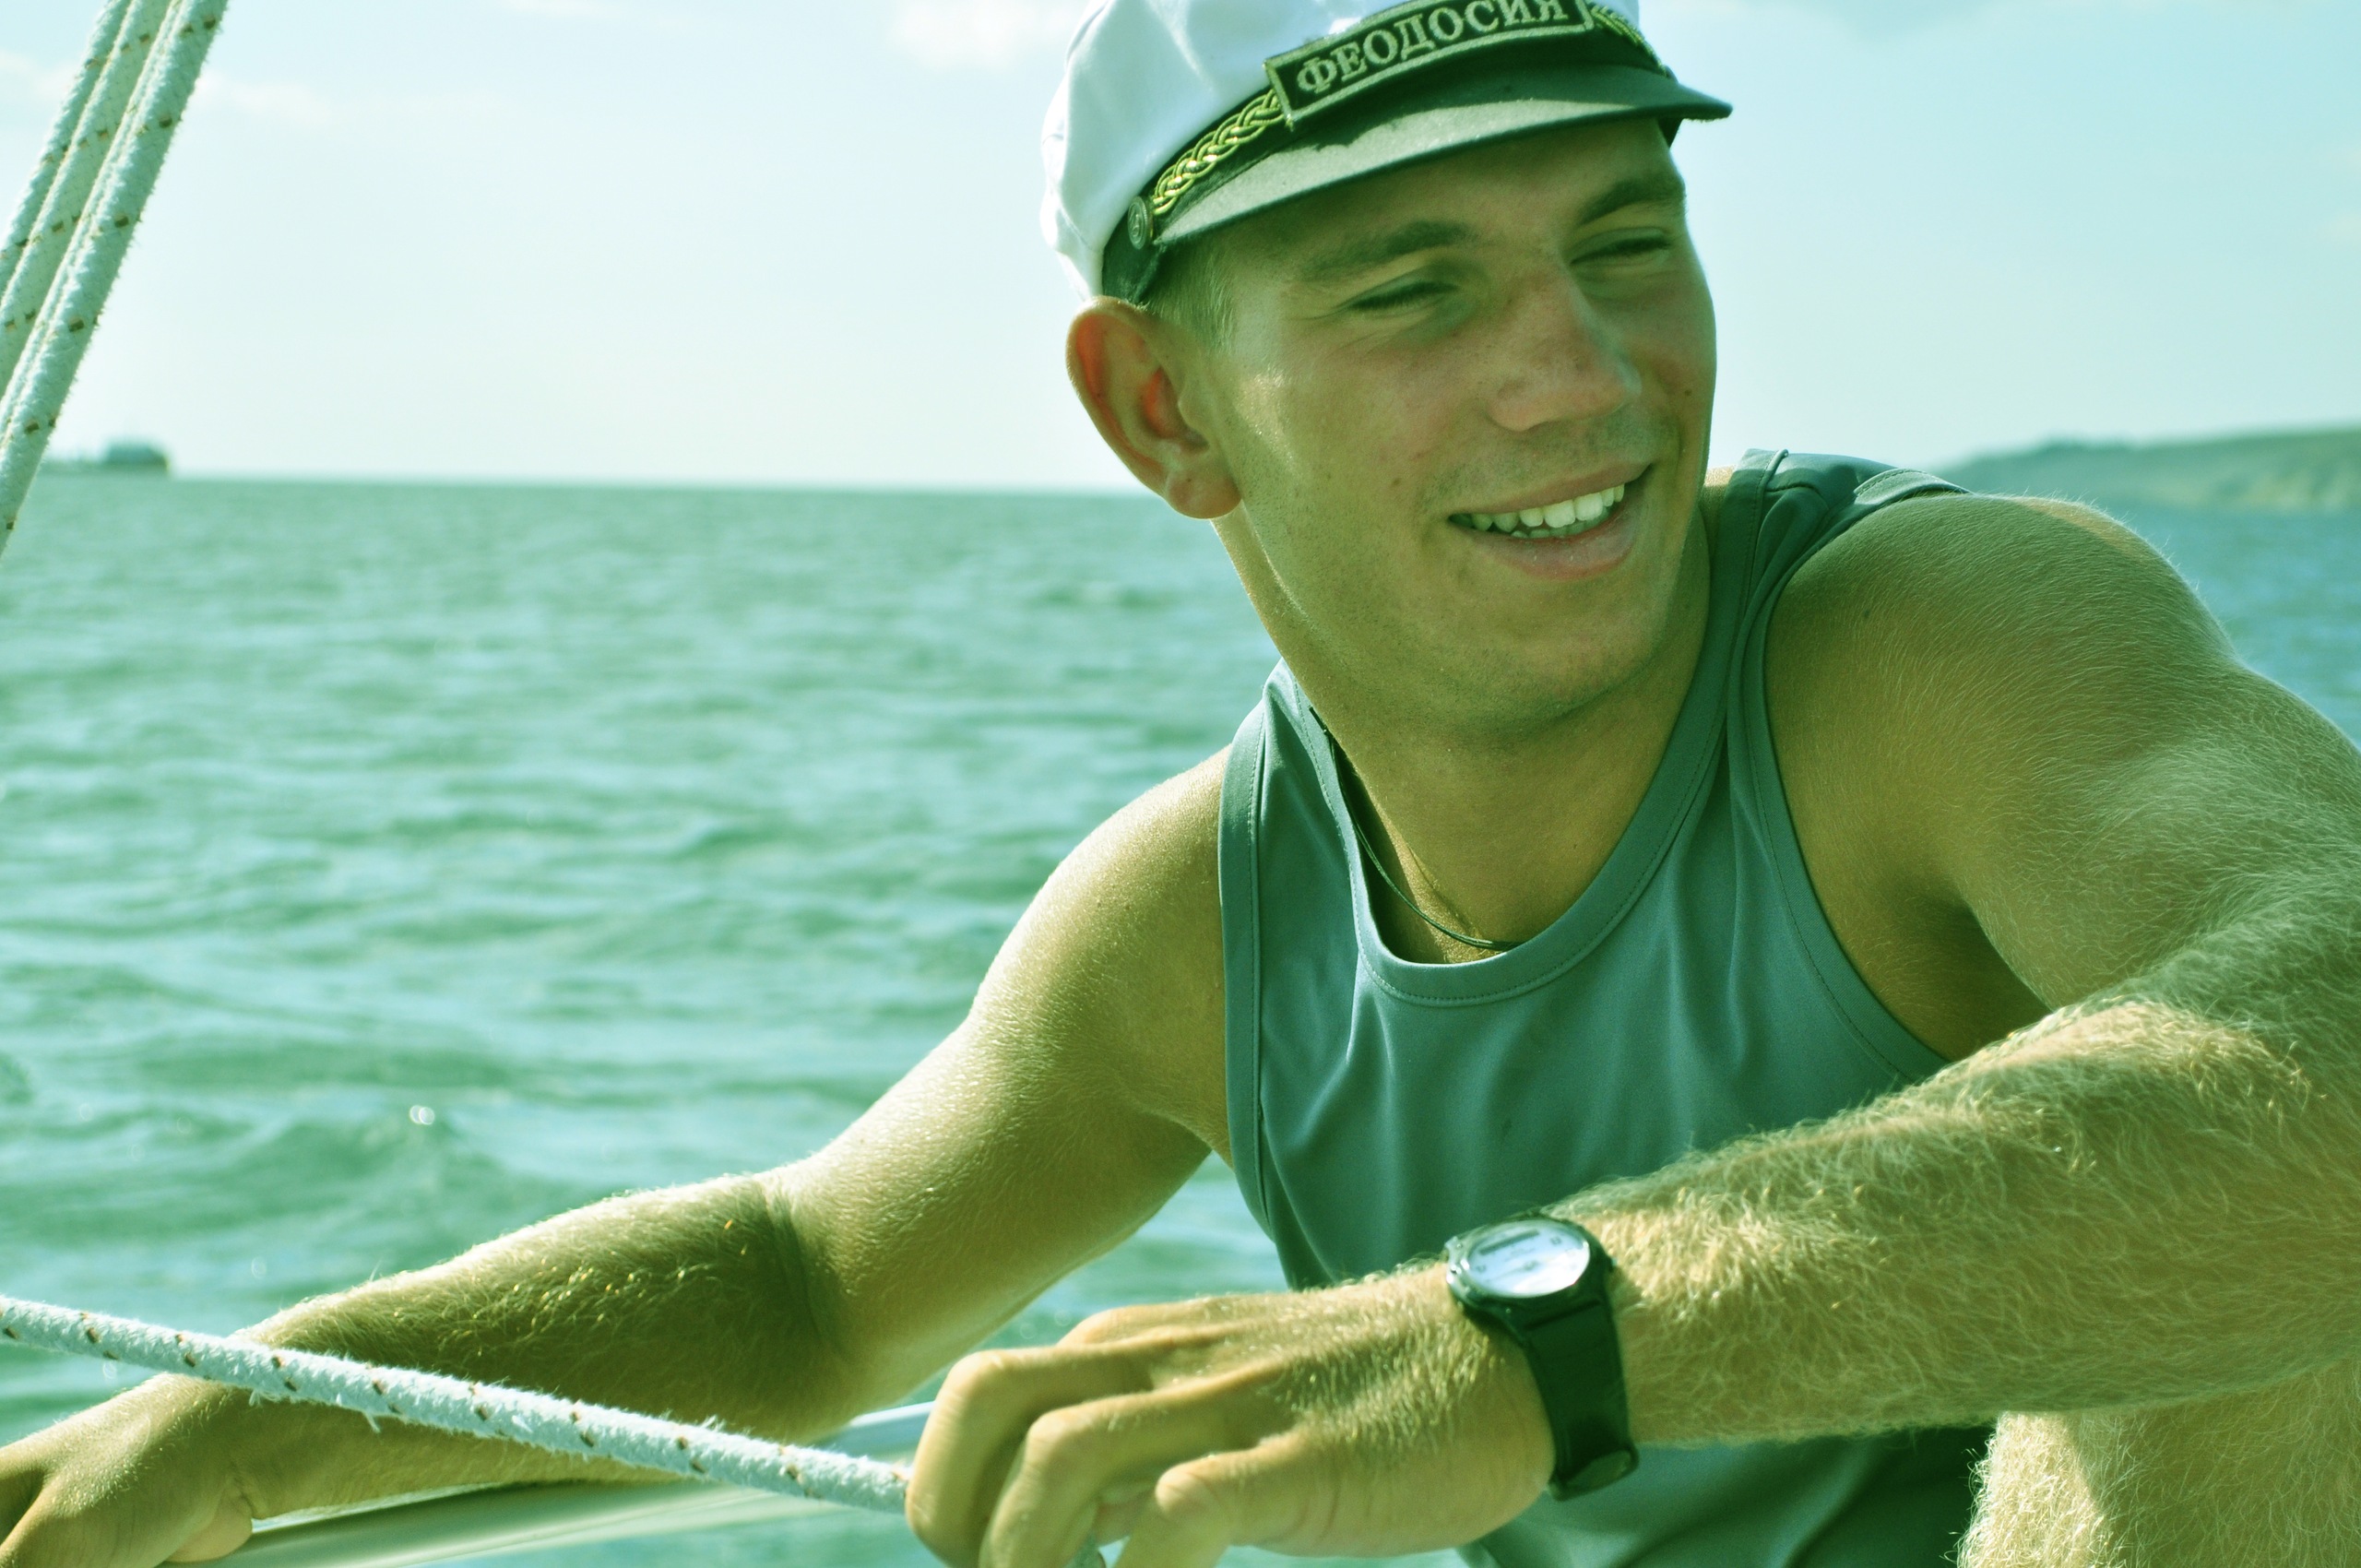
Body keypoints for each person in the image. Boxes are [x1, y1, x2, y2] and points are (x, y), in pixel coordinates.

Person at [6, 2, 2359, 1565]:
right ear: (1161, 411)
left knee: (2255, 1263)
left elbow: (2334, 1030)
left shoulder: (1936, 636)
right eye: (1414, 292)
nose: (1578, 374)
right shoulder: (1203, 920)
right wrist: (256, 1413)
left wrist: (1519, 1341)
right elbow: (805, 1282)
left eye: (1622, 243)